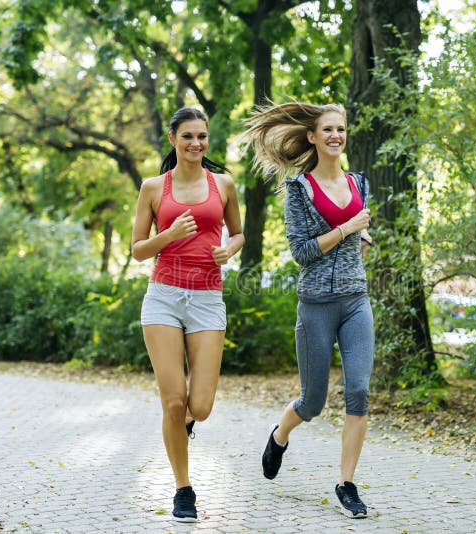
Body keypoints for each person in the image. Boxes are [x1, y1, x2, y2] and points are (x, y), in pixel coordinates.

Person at [238, 101, 375, 518]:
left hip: (355, 301)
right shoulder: (299, 190)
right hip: (315, 305)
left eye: (341, 129)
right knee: (312, 402)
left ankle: (346, 484)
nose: (336, 135)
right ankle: (279, 435)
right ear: (313, 137)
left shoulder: (359, 182)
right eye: (328, 129)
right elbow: (301, 252)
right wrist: (347, 229)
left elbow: (361, 228)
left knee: (359, 392)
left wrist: (362, 237)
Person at [131, 107, 244, 523]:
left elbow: (239, 233)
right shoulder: (153, 188)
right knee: (174, 401)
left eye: (202, 136)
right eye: (188, 136)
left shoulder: (225, 185)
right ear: (173, 139)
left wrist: (228, 250)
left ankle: (186, 425)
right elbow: (138, 249)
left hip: (207, 299)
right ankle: (183, 489)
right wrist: (169, 235)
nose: (196, 143)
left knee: (201, 404)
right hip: (163, 296)